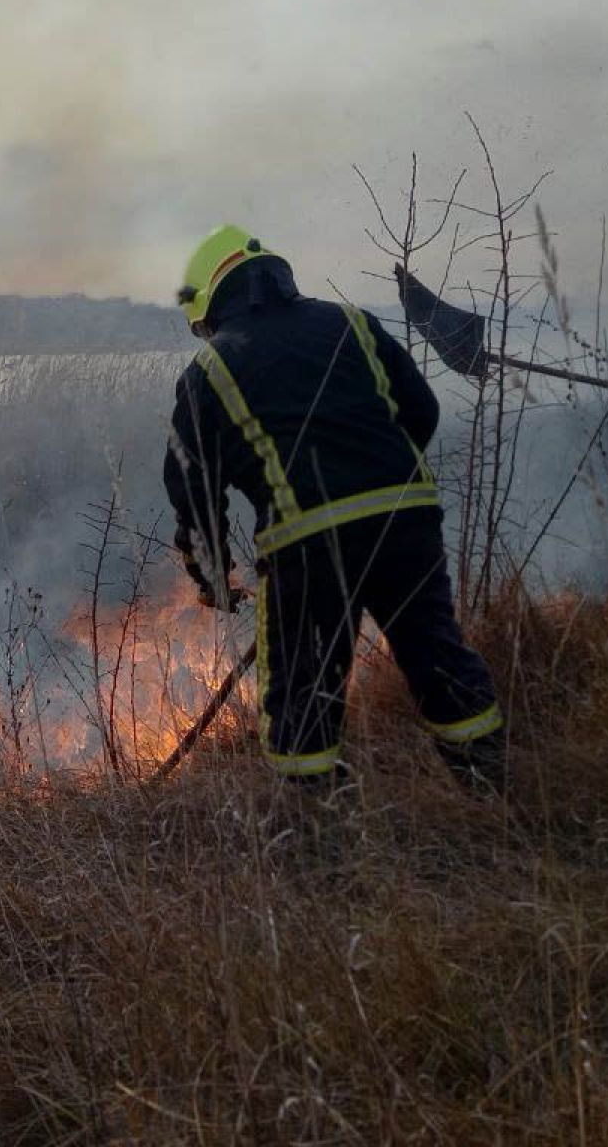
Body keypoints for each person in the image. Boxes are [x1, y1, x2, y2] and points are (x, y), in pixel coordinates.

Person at [162, 225, 505, 791]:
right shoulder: (353, 323)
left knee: (303, 689)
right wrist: (382, 477)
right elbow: (421, 410)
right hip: (407, 522)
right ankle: (493, 790)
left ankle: (318, 821)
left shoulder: (210, 370)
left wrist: (213, 578)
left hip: (308, 543)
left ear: (211, 306)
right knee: (438, 657)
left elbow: (192, 490)